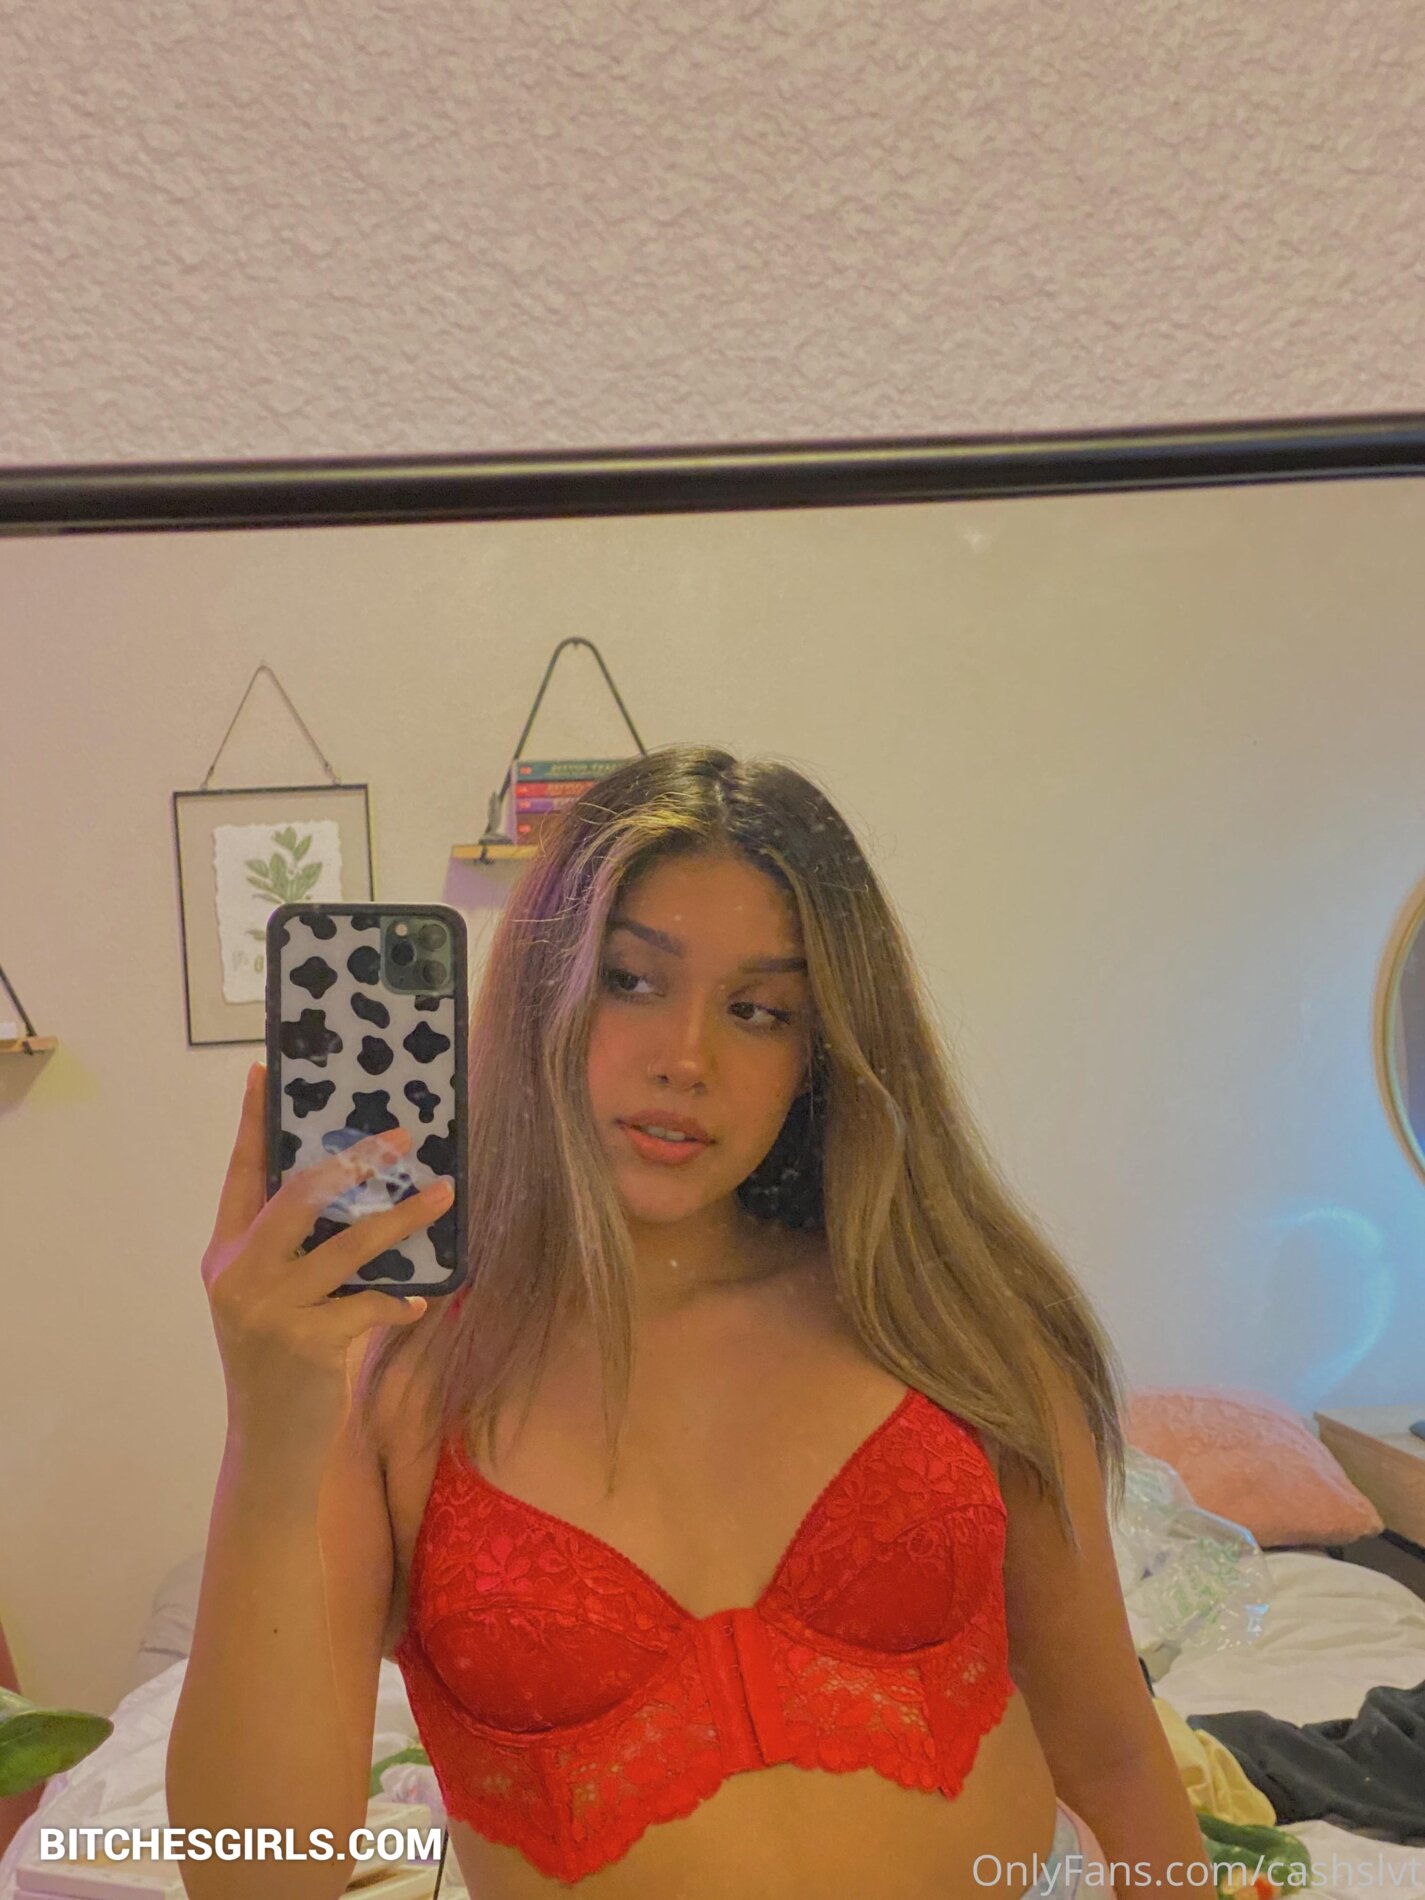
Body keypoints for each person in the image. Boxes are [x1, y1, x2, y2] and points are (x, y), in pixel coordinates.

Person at [168, 745, 1212, 1899]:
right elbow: (257, 1878)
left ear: (823, 1048)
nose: (686, 1059)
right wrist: (268, 1432)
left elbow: (1114, 1758)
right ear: (546, 988)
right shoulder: (395, 1378)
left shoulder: (948, 1316)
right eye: (630, 980)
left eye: (759, 1010)